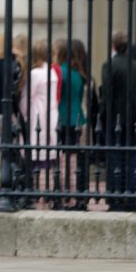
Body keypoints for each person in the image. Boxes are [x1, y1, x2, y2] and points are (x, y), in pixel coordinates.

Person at [100, 30, 136, 211]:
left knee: (115, 158)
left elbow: (106, 96)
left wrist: (102, 117)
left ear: (113, 46)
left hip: (114, 119)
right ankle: (132, 196)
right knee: (131, 157)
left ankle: (115, 197)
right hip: (133, 118)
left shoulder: (109, 64)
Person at [21, 39, 59, 205]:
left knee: (37, 159)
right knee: (47, 160)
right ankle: (47, 193)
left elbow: (25, 98)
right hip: (50, 115)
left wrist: (23, 115)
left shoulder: (35, 74)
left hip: (36, 117)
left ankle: (39, 193)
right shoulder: (52, 72)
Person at [54, 38, 88, 209]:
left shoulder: (59, 71)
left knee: (61, 158)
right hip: (76, 118)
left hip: (62, 117)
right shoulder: (79, 75)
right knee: (72, 158)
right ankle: (74, 193)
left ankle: (63, 194)